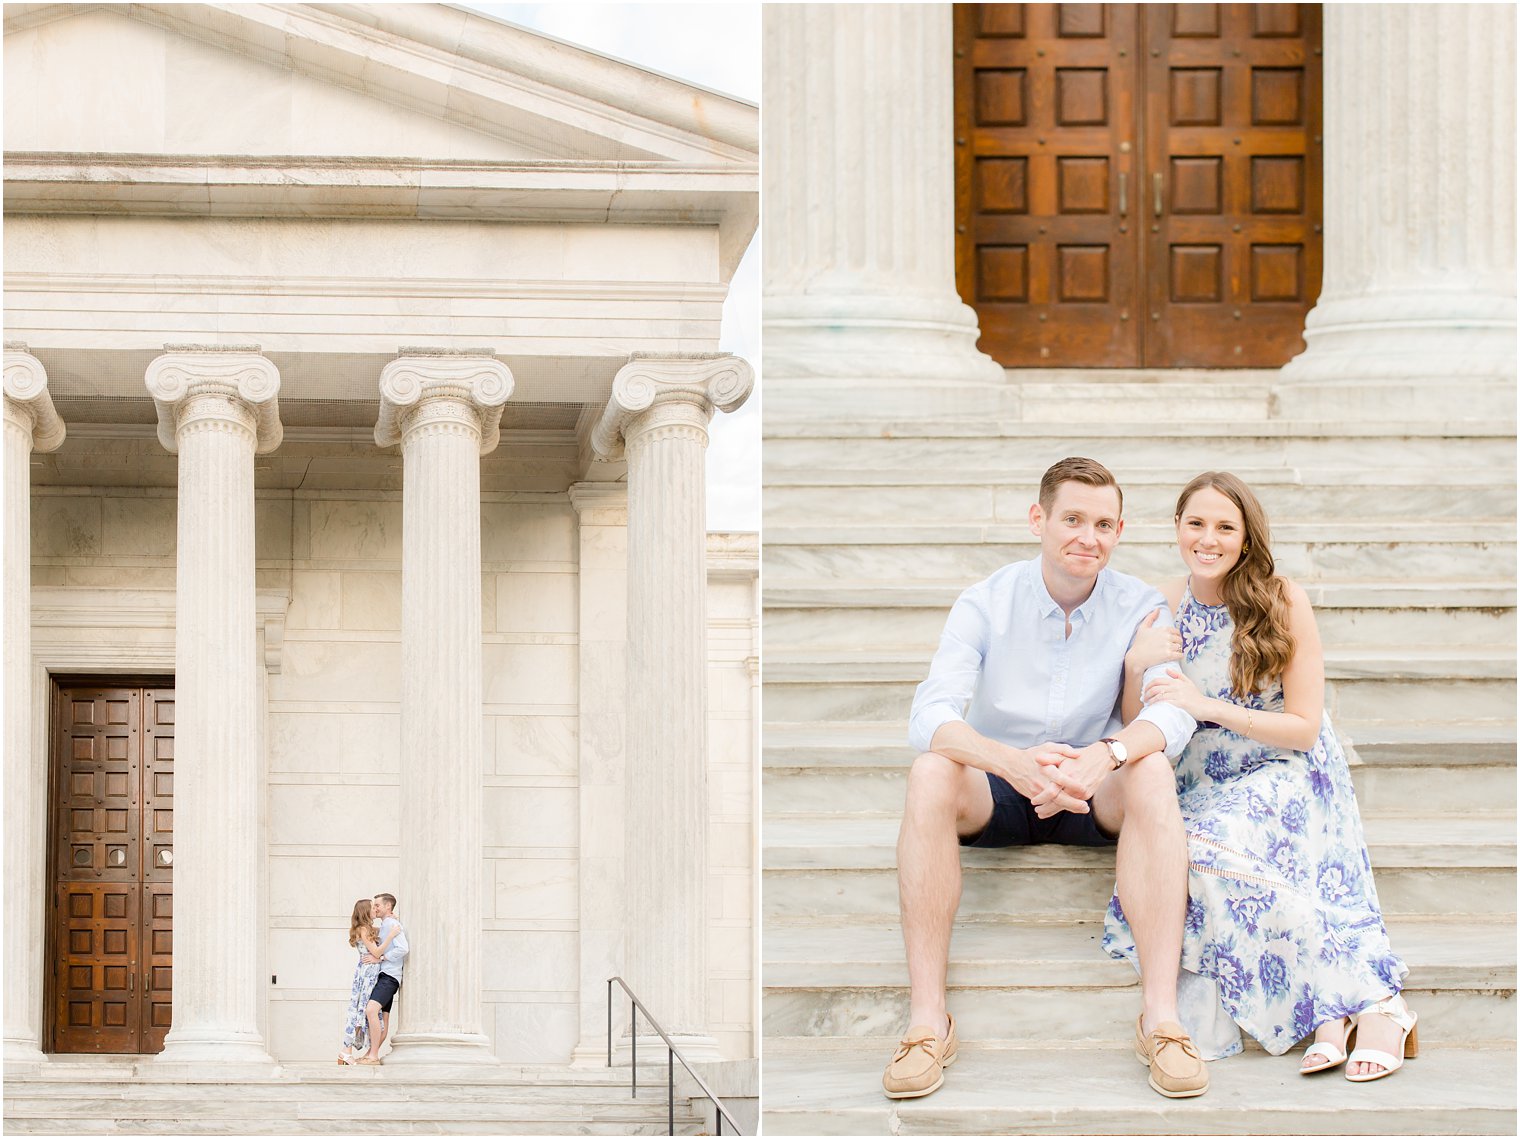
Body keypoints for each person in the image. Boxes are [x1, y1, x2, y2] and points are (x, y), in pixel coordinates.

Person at [883, 457, 1208, 1102]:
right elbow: (931, 715)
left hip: (1094, 785)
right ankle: (927, 1023)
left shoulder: (1142, 605)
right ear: (1039, 520)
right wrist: (1013, 764)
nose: (1089, 537)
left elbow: (1173, 712)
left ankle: (1163, 1022)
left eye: (1104, 524)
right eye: (1073, 520)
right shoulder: (985, 601)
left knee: (1151, 776)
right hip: (1001, 786)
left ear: (1120, 531)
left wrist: (1105, 756)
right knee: (929, 773)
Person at [1105, 471, 1416, 1082]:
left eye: (1225, 526)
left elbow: (1303, 728)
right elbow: (1136, 722)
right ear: (1175, 528)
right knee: (1172, 850)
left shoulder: (1280, 600)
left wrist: (1209, 707)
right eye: (1195, 523)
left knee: (1208, 847)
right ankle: (1334, 1009)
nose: (1208, 538)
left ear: (1246, 538)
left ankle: (1373, 1005)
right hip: (1197, 779)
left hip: (1283, 768)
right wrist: (1133, 665)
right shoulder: (1155, 603)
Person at [338, 898, 402, 1065]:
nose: (375, 909)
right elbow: (377, 950)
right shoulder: (363, 929)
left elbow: (383, 929)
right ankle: (346, 1051)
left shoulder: (367, 928)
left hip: (371, 973)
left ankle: (353, 1052)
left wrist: (392, 921)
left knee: (365, 1012)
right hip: (367, 974)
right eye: (373, 907)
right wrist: (391, 937)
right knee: (361, 1010)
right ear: (366, 911)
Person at [356, 892, 409, 1065]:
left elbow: (403, 949)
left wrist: (381, 958)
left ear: (388, 906)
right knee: (382, 1018)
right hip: (385, 976)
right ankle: (371, 1054)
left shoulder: (391, 924)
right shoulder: (387, 924)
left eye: (377, 905)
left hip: (389, 977)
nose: (375, 908)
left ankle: (373, 1056)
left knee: (371, 1011)